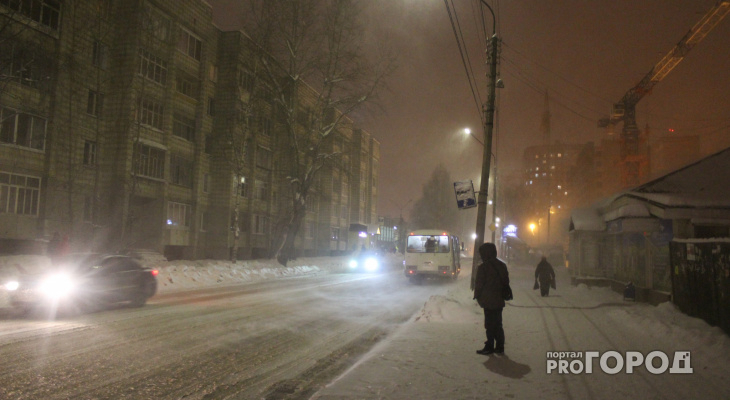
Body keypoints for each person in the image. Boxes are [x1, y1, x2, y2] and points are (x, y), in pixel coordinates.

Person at [473, 242, 509, 355]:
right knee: (498, 323)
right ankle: (500, 346)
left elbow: (479, 284)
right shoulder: (502, 265)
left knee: (489, 324)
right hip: (499, 299)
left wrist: (477, 296)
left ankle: (489, 346)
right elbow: (506, 281)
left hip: (488, 300)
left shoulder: (483, 267)